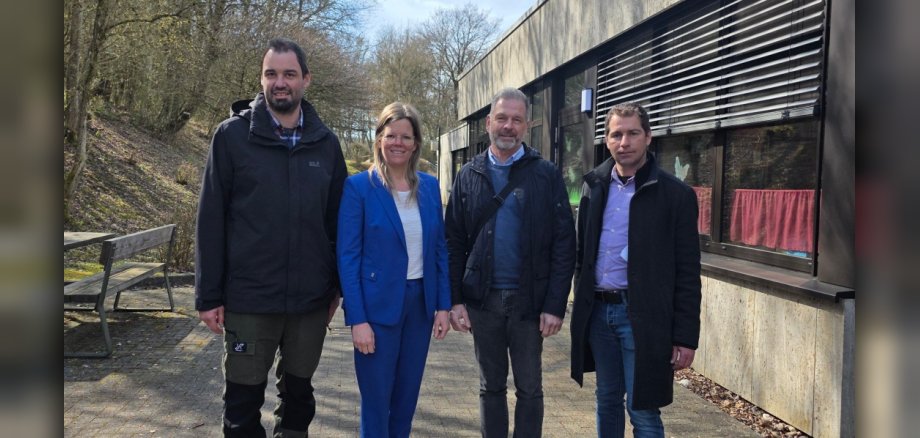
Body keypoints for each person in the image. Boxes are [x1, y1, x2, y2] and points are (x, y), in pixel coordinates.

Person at [195, 37, 347, 437]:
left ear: (306, 80)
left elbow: (338, 224)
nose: (280, 82)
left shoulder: (327, 145)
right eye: (271, 74)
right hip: (249, 300)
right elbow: (210, 220)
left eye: (289, 74)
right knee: (242, 406)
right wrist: (208, 296)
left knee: (298, 399)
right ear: (261, 79)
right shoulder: (230, 138)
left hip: (309, 303)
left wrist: (335, 289)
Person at [445, 87, 575, 438]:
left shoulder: (545, 175)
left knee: (530, 388)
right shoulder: (467, 175)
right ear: (488, 122)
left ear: (527, 125)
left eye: (517, 120)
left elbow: (565, 245)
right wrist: (455, 300)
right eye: (502, 118)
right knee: (491, 387)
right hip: (482, 302)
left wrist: (555, 305)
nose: (508, 126)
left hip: (529, 304)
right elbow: (453, 243)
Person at [569, 102, 702, 438]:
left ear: (648, 137)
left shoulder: (675, 195)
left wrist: (685, 337)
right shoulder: (593, 186)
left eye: (632, 133)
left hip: (643, 317)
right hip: (599, 313)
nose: (624, 141)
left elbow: (688, 271)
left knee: (642, 409)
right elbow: (582, 253)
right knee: (607, 399)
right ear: (606, 140)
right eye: (616, 134)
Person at [336, 102, 452, 437]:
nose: (397, 143)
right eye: (391, 135)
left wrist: (443, 305)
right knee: (376, 404)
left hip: (419, 307)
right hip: (376, 311)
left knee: (405, 402)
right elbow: (348, 257)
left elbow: (439, 251)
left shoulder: (429, 187)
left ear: (416, 142)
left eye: (406, 136)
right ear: (379, 139)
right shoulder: (359, 187)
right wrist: (357, 320)